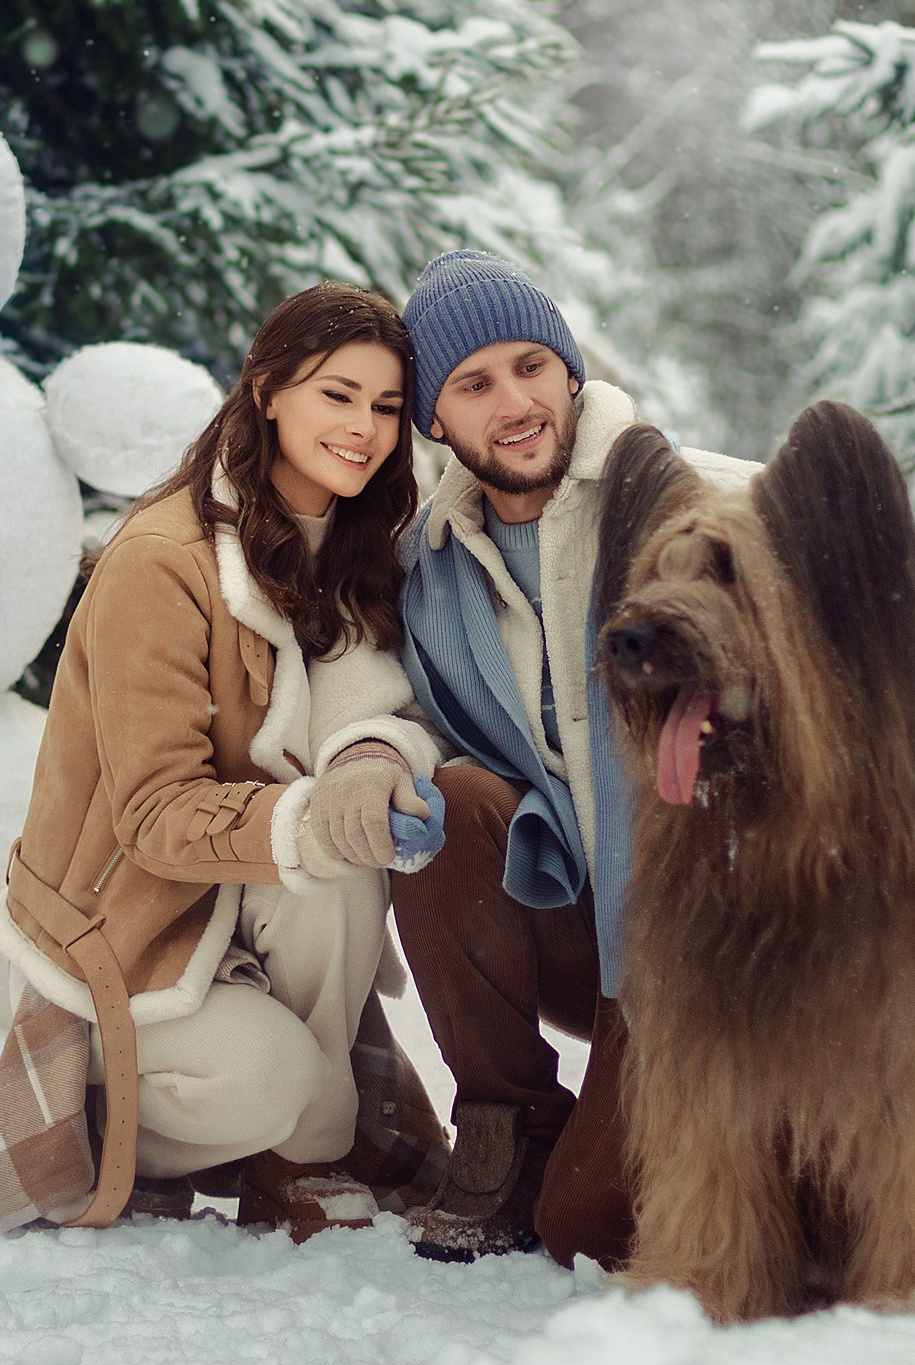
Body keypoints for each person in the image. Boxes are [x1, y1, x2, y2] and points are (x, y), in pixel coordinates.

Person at [0, 282, 449, 1239]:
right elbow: (155, 816)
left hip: (240, 900)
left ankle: (298, 1160)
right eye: (337, 395)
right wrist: (310, 820)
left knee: (338, 860)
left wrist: (366, 774)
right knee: (277, 1078)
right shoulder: (161, 560)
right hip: (120, 920)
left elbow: (374, 706)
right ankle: (83, 1138)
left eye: (384, 406)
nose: (364, 429)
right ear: (266, 391)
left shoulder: (359, 545)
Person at [388, 249, 758, 1265]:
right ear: (436, 421)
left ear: (570, 372)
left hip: (699, 942)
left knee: (589, 1226)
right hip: (570, 923)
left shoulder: (701, 504)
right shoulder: (432, 570)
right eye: (474, 383)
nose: (513, 401)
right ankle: (511, 1123)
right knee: (441, 799)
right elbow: (416, 720)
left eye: (531, 367)